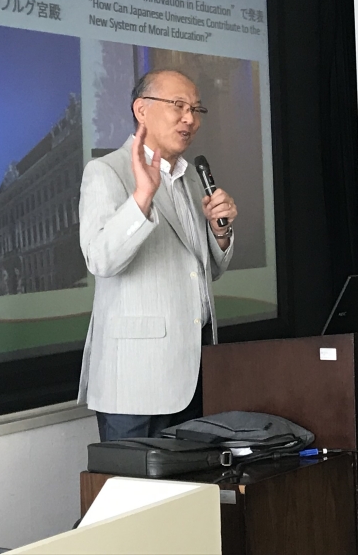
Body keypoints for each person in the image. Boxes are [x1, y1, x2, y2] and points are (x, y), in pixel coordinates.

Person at [77, 69, 237, 441]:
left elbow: (204, 272)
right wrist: (142, 199)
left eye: (196, 109)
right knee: (134, 481)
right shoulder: (106, 171)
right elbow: (100, 259)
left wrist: (220, 232)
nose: (190, 119)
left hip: (195, 370)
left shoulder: (191, 178)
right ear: (141, 110)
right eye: (178, 106)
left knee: (191, 479)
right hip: (135, 382)